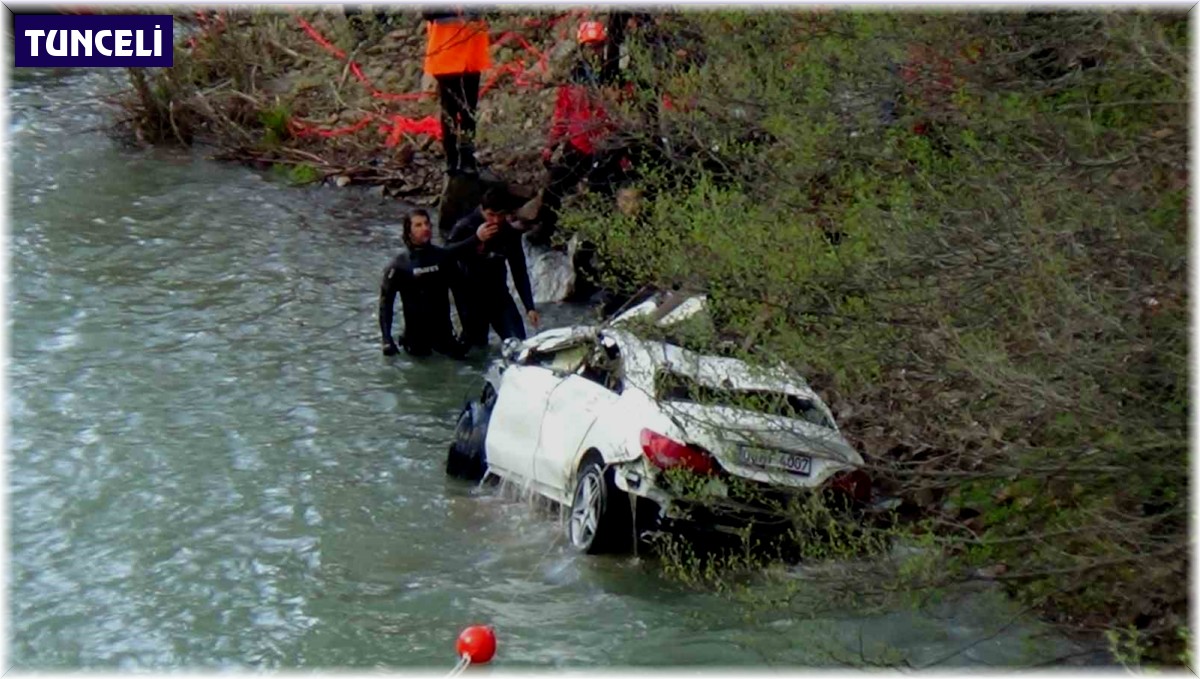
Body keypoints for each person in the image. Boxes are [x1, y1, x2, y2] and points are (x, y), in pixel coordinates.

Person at [531, 20, 628, 246]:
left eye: (597, 46)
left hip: (606, 148)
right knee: (554, 186)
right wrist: (551, 145)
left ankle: (600, 242)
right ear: (582, 48)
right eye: (590, 46)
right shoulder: (575, 77)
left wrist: (624, 153)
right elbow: (562, 115)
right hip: (577, 145)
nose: (594, 51)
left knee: (601, 195)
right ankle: (545, 229)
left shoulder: (616, 79)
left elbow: (625, 117)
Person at [378, 209, 499, 358]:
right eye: (418, 225)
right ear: (408, 232)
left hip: (445, 336)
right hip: (415, 340)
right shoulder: (399, 265)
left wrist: (467, 332)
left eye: (427, 224)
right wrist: (386, 339)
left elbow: (461, 295)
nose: (425, 228)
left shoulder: (442, 258)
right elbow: (386, 304)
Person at [447, 188, 540, 347]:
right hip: (470, 297)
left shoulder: (509, 232)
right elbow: (444, 254)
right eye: (491, 215)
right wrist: (476, 239)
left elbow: (519, 270)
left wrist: (529, 307)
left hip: (499, 295)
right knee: (475, 349)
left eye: (500, 215)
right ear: (482, 210)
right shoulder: (465, 226)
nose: (495, 220)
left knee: (519, 344)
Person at [422, 7, 491, 175]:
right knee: (450, 109)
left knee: (468, 111)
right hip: (446, 53)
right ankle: (452, 159)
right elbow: (428, 12)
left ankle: (467, 158)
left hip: (471, 54)